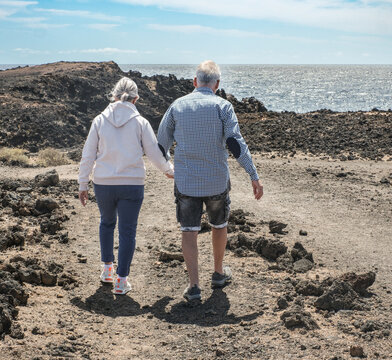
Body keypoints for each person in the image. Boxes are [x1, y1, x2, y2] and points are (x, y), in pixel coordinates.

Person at [157, 60, 263, 301]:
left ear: (195, 82)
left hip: (186, 183)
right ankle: (217, 273)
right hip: (216, 181)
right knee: (219, 225)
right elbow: (235, 144)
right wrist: (253, 175)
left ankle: (194, 286)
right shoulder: (223, 107)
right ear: (217, 84)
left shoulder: (177, 106)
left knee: (189, 231)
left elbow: (161, 143)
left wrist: (166, 166)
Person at [78, 77, 174, 295]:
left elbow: (88, 155)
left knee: (106, 223)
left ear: (113, 96)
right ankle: (121, 281)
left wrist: (83, 183)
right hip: (132, 185)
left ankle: (107, 270)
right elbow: (154, 154)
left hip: (103, 184)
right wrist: (169, 171)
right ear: (136, 99)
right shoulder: (141, 123)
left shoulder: (99, 120)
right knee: (127, 231)